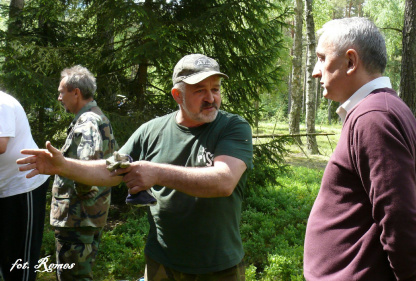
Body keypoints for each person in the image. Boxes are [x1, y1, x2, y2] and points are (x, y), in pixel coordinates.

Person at [17, 54, 253, 280]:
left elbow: (224, 181)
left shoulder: (233, 127)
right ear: (177, 95)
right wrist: (64, 166)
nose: (211, 98)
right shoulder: (151, 131)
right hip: (161, 261)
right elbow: (111, 170)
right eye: (200, 90)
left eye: (215, 89)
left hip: (218, 266)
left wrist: (157, 172)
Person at [303, 17, 416, 281]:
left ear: (351, 62)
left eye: (321, 58)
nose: (316, 71)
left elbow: (402, 221)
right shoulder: (382, 109)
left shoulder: (374, 117)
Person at [51, 65, 118, 280]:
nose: (59, 97)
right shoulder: (97, 117)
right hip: (87, 217)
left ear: (76, 93)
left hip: (77, 219)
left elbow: (87, 160)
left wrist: (83, 190)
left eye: (62, 92)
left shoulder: (87, 121)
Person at [0, 90, 50, 281]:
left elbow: (1, 144)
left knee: (19, 260)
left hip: (22, 187)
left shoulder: (2, 103)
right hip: (3, 188)